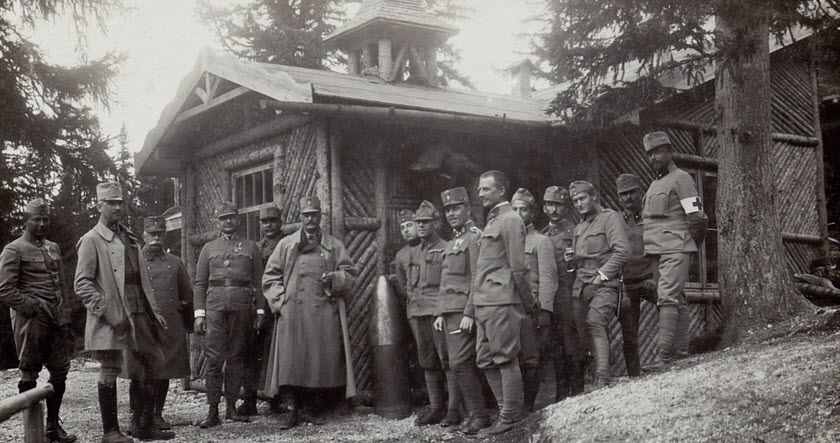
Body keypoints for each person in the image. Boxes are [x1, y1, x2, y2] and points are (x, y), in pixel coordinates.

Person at [75, 181, 170, 442]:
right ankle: (110, 432)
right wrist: (107, 312)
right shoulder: (92, 240)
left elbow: (141, 280)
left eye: (120, 202)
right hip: (113, 315)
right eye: (111, 203)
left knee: (155, 363)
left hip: (139, 311)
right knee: (110, 369)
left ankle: (142, 424)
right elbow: (82, 283)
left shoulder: (129, 238)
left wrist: (154, 311)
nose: (117, 207)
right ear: (99, 206)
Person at [262, 196, 357, 429]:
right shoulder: (286, 245)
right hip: (292, 311)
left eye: (314, 214)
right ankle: (293, 410)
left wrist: (336, 278)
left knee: (318, 361)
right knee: (291, 361)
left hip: (323, 312)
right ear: (301, 218)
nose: (310, 219)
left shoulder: (334, 245)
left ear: (320, 216)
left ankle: (312, 409)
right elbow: (269, 276)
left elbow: (350, 274)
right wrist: (280, 301)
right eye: (306, 215)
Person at [0, 199, 76, 443]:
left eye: (46, 219)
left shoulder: (53, 248)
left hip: (57, 320)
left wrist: (65, 316)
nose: (42, 224)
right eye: (37, 219)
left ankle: (52, 426)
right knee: (29, 373)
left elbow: (61, 286)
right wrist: (34, 307)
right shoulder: (14, 249)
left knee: (60, 372)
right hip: (31, 322)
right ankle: (31, 433)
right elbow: (5, 290)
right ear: (27, 220)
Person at [470, 170, 535, 435]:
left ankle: (510, 417)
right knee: (485, 359)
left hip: (502, 301)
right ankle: (505, 411)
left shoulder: (510, 220)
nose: (480, 193)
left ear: (501, 191)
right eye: (479, 188)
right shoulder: (492, 220)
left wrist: (529, 302)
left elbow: (518, 268)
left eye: (486, 189)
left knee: (506, 359)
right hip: (485, 302)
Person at [193, 201, 266, 427]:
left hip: (242, 308)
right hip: (215, 308)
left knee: (236, 358)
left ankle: (231, 408)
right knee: (214, 360)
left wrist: (260, 310)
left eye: (232, 217)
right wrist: (199, 313)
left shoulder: (251, 247)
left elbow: (258, 283)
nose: (228, 221)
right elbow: (200, 283)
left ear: (238, 219)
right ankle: (212, 410)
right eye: (224, 218)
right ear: (218, 222)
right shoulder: (208, 248)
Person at [641, 132, 707, 371]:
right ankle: (681, 351)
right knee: (675, 298)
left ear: (670, 151)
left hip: (676, 248)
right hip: (656, 252)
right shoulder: (654, 184)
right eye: (649, 153)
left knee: (667, 297)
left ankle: (663, 356)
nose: (653, 157)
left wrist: (689, 244)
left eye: (658, 151)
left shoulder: (683, 179)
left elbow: (697, 216)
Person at [432, 187, 491, 434]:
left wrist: (470, 312)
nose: (451, 213)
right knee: (455, 364)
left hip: (463, 311)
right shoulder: (454, 240)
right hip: (449, 311)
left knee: (460, 363)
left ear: (468, 208)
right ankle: (472, 414)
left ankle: (480, 415)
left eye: (456, 208)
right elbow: (446, 280)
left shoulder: (475, 238)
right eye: (447, 209)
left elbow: (477, 277)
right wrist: (439, 312)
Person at [565, 181, 629, 389]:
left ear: (594, 196)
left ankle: (603, 376)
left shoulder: (610, 218)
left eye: (582, 198)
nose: (579, 204)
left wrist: (600, 277)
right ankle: (595, 375)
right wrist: (572, 258)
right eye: (575, 201)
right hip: (581, 286)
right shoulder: (579, 228)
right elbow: (583, 258)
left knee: (595, 322)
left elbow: (622, 252)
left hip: (605, 283)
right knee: (584, 334)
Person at [132, 216, 193, 432]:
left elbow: (187, 295)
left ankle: (156, 414)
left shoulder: (175, 263)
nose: (156, 238)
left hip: (168, 323)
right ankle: (136, 416)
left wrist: (186, 324)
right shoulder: (134, 261)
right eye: (152, 233)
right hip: (143, 323)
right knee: (139, 370)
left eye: (159, 233)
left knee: (164, 369)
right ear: (144, 235)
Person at [407, 201, 456, 427]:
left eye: (426, 222)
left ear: (436, 223)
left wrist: (441, 313)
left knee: (448, 362)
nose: (422, 226)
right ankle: (436, 409)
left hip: (439, 314)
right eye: (418, 222)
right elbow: (409, 286)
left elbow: (448, 285)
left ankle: (454, 410)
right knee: (427, 362)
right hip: (418, 313)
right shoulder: (413, 252)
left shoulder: (447, 248)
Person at [510, 188, 558, 412]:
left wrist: (545, 311)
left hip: (531, 309)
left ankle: (528, 407)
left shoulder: (541, 241)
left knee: (530, 359)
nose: (519, 214)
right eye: (515, 210)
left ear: (533, 213)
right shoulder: (506, 240)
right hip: (509, 308)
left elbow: (548, 278)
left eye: (524, 209)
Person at [238, 205, 285, 416]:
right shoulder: (255, 248)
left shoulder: (288, 245)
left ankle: (277, 400)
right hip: (259, 307)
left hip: (281, 304)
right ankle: (250, 401)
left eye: (273, 221)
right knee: (252, 352)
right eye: (264, 222)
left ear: (280, 222)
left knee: (279, 352)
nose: (269, 225)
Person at [540, 186, 585, 401]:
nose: (554, 209)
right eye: (550, 204)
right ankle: (560, 393)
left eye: (558, 205)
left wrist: (574, 261)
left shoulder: (575, 231)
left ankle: (576, 392)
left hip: (569, 291)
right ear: (544, 208)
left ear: (566, 207)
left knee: (571, 342)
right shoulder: (541, 236)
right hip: (550, 295)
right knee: (554, 344)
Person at [615, 174, 658, 377]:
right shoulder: (615, 221)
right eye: (623, 194)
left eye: (631, 192)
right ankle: (634, 376)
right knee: (629, 335)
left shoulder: (651, 216)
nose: (628, 198)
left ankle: (677, 360)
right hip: (627, 283)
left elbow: (661, 248)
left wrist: (656, 278)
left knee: (671, 306)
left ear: (640, 192)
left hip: (651, 278)